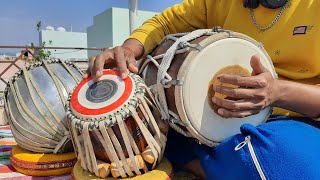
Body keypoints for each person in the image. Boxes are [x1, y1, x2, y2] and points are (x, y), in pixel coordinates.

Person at [84, 0, 320, 179]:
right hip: (214, 120)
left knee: (284, 161)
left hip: (293, 121)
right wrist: (129, 49)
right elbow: (165, 22)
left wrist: (277, 92)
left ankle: (191, 157)